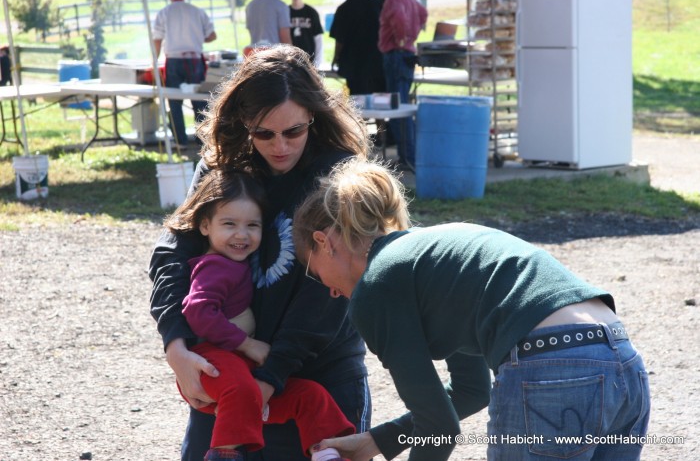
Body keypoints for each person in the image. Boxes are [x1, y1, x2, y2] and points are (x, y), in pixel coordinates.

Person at [292, 159, 652, 461]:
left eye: (317, 273)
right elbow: (471, 390)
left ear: (324, 242)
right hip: (621, 357)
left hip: (551, 366)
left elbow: (438, 428)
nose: (333, 292)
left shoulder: (376, 287)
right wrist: (377, 441)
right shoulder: (432, 256)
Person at [149, 45, 372, 461]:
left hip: (319, 381)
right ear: (243, 124)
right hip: (231, 377)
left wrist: (270, 377)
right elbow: (173, 252)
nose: (280, 146)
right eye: (264, 133)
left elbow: (328, 293)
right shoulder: (225, 166)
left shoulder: (341, 177)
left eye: (294, 132)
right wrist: (176, 345)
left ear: (314, 118)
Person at [163, 169, 355, 461]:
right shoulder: (215, 266)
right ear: (204, 226)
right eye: (229, 224)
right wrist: (247, 344)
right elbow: (198, 310)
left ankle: (327, 451)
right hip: (214, 364)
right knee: (241, 388)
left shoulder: (239, 262)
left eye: (252, 225)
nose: (242, 234)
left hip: (243, 377)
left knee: (309, 395)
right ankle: (225, 453)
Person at [153, 0, 217, 148]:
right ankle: (204, 141)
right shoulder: (197, 11)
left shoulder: (164, 12)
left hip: (174, 60)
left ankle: (180, 140)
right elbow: (212, 36)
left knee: (174, 101)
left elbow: (157, 38)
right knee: (199, 100)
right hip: (194, 59)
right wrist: (197, 38)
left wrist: (154, 60)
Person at [378, 0, 427, 169]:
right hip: (405, 55)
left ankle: (409, 157)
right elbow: (423, 13)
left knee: (398, 109)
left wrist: (402, 38)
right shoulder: (410, 0)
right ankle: (408, 155)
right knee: (403, 105)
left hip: (396, 55)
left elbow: (399, 17)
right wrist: (412, 36)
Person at [329, 0, 386, 95]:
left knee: (358, 102)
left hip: (354, 65)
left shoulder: (344, 8)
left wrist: (336, 57)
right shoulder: (378, 4)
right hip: (378, 62)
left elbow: (340, 40)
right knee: (380, 99)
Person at [289, 0, 324, 68]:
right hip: (289, 60)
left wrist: (317, 63)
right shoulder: (285, 12)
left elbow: (318, 39)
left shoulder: (311, 12)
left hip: (309, 60)